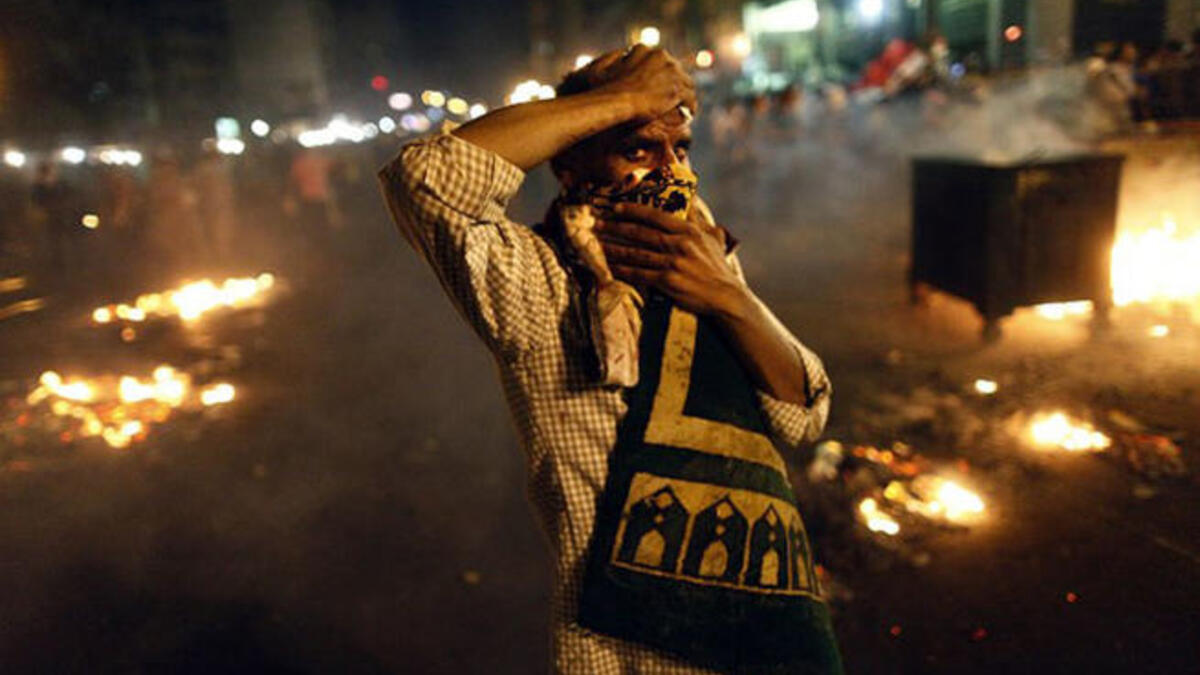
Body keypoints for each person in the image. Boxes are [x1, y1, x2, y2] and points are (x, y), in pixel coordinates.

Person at [379, 46, 839, 674]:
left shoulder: (702, 257)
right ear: (571, 168)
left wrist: (727, 296)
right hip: (629, 649)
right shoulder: (541, 283)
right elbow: (426, 180)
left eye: (679, 150)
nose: (673, 174)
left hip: (759, 633)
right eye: (637, 149)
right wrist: (626, 99)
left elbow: (803, 414)